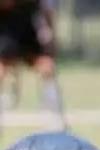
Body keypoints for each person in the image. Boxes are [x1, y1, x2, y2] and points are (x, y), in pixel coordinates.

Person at [0, 0, 65, 131]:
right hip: (5, 24)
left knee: (47, 67)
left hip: (28, 23)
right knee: (1, 68)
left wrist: (51, 35)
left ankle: (55, 120)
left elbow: (46, 9)